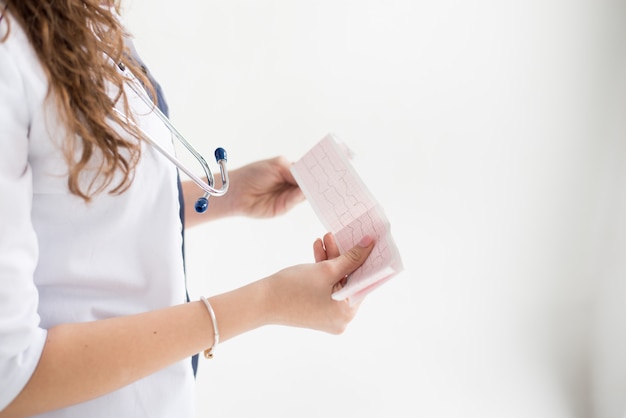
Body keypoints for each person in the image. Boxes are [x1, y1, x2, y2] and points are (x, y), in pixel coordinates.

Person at [0, 1, 375, 417]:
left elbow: (72, 212)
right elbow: (10, 378)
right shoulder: (8, 58)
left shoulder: (88, 16)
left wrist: (225, 196)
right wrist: (269, 301)